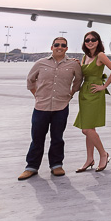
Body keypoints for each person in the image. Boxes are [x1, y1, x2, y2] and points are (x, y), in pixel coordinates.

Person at [18, 37, 83, 181]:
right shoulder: (40, 63)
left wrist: (70, 95)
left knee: (57, 138)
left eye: (63, 45)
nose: (59, 47)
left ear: (67, 48)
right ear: (52, 47)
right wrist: (37, 96)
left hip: (61, 107)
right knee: (37, 138)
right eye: (57, 45)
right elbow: (30, 81)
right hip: (41, 107)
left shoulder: (73, 65)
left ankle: (56, 165)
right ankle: (31, 167)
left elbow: (78, 81)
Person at [73, 31, 111, 173]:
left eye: (93, 39)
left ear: (98, 41)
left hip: (95, 93)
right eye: (87, 40)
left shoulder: (101, 55)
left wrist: (103, 86)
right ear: (84, 42)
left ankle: (103, 154)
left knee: (86, 129)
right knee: (90, 130)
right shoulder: (84, 57)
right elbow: (81, 74)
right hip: (84, 94)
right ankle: (89, 159)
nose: (90, 42)